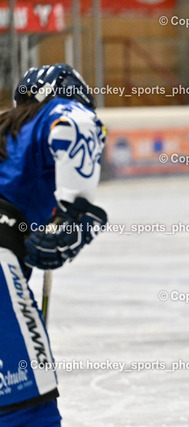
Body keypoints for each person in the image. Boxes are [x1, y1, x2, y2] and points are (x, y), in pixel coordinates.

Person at [0, 64, 108, 426]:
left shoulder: (11, 132)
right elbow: (76, 122)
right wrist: (74, 211)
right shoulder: (53, 113)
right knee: (29, 407)